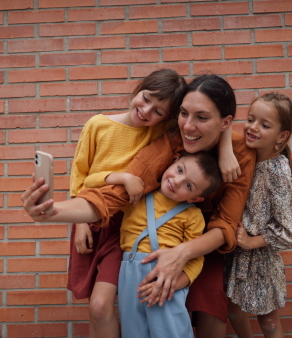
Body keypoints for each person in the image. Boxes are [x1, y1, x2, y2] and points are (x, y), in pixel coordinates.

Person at [22, 74, 256, 337]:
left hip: (204, 241)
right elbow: (116, 195)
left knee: (212, 311)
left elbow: (225, 222)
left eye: (202, 118)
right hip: (153, 241)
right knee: (143, 310)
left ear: (225, 123)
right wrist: (53, 212)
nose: (188, 126)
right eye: (183, 114)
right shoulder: (171, 139)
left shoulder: (243, 153)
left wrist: (182, 253)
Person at [22, 151, 221, 338]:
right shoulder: (137, 195)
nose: (177, 181)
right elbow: (90, 183)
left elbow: (195, 258)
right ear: (173, 161)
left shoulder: (193, 215)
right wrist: (123, 178)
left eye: (188, 186)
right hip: (129, 273)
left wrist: (175, 284)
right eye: (179, 170)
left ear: (195, 198)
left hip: (166, 280)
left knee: (170, 332)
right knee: (133, 332)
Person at [66, 68, 187, 338]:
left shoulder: (156, 134)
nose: (146, 111)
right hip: (88, 219)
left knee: (101, 303)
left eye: (158, 111)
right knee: (95, 309)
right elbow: (80, 175)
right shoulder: (97, 124)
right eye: (145, 98)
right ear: (138, 89)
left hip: (124, 227)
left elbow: (200, 119)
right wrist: (81, 221)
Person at [225, 92, 292, 338]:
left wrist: (251, 241)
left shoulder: (277, 171)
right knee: (232, 310)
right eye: (250, 119)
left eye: (264, 124)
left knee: (268, 321)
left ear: (281, 136)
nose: (253, 127)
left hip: (260, 260)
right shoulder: (248, 158)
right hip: (236, 255)